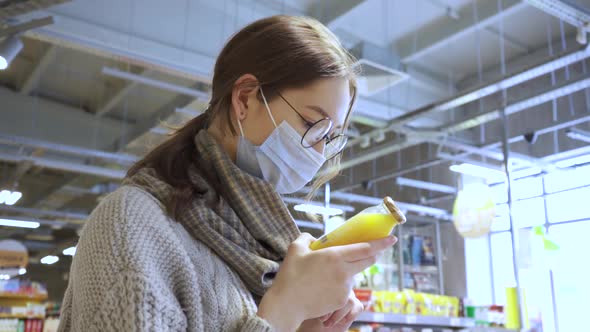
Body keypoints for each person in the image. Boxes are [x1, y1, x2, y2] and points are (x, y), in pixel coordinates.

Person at [57, 15, 396, 332]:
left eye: (331, 136)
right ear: (245, 99)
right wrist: (286, 308)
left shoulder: (262, 248)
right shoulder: (129, 223)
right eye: (311, 124)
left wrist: (305, 322)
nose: (320, 152)